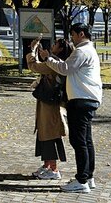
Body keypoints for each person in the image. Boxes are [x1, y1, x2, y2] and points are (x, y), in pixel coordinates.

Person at [39, 23, 102, 193]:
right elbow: (68, 66)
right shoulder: (88, 50)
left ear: (81, 34)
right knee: (86, 141)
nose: (72, 38)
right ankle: (88, 177)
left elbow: (65, 69)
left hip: (81, 100)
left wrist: (47, 58)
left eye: (73, 35)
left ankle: (82, 180)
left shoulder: (82, 51)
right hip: (87, 98)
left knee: (79, 141)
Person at [26, 38, 74, 181]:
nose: (52, 46)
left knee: (49, 135)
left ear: (60, 49)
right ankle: (47, 165)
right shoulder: (55, 62)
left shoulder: (55, 63)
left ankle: (53, 169)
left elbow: (34, 66)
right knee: (44, 133)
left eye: (55, 45)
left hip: (50, 105)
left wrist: (32, 50)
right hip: (47, 103)